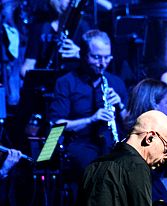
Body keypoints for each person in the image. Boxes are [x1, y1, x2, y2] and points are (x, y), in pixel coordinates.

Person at [50, 30, 129, 179]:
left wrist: (120, 105)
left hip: (111, 144)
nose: (103, 64)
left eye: (107, 57)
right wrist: (91, 119)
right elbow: (57, 125)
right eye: (97, 57)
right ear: (82, 55)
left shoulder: (116, 82)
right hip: (80, 145)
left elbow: (130, 125)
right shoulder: (66, 82)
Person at [21, 0, 89, 75]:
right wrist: (29, 77)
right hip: (49, 80)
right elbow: (29, 64)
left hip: (74, 81)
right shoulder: (40, 27)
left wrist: (79, 54)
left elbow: (96, 60)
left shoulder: (83, 26)